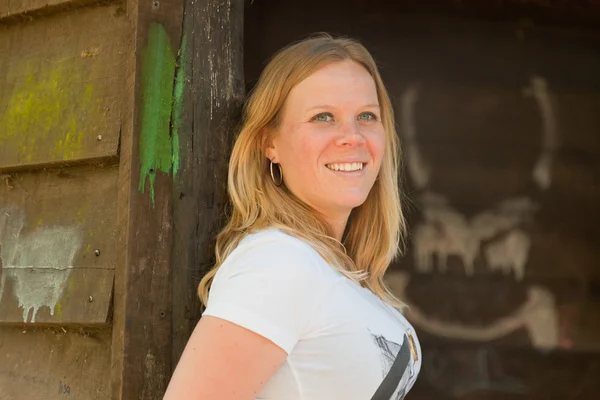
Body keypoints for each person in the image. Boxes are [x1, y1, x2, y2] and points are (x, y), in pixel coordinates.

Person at [164, 33, 422, 400]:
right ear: (270, 144)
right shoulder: (277, 263)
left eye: (367, 115)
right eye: (323, 117)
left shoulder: (327, 266)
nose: (352, 137)